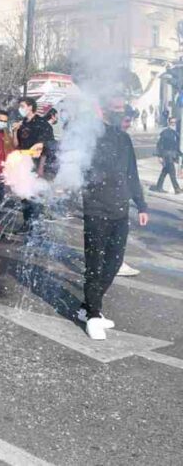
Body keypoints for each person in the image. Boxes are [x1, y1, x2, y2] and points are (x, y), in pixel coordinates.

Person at [80, 101, 149, 340]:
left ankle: (87, 307)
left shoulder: (124, 139)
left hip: (120, 210)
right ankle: (92, 314)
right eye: (120, 112)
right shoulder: (91, 136)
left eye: (126, 114)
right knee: (95, 263)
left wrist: (141, 204)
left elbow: (132, 173)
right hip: (97, 210)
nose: (125, 117)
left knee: (115, 261)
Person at [13, 97, 53, 232]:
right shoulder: (22, 124)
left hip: (37, 165)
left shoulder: (42, 124)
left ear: (30, 107)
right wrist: (14, 130)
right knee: (24, 195)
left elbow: (46, 148)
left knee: (36, 195)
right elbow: (17, 145)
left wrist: (41, 168)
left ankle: (36, 226)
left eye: (22, 106)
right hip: (24, 164)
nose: (21, 109)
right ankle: (26, 223)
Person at [150, 116, 181, 194]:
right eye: (171, 122)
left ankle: (158, 187)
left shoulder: (176, 133)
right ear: (168, 123)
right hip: (167, 155)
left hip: (172, 155)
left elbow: (176, 146)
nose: (173, 124)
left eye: (174, 123)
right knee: (172, 172)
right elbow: (160, 144)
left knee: (165, 171)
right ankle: (176, 189)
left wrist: (179, 154)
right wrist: (159, 156)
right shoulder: (165, 132)